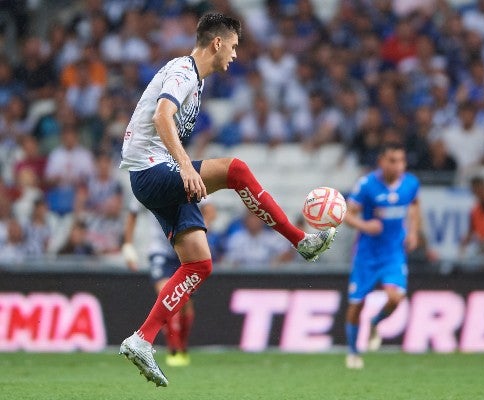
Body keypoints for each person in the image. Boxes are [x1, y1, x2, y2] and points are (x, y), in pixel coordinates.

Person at [118, 13, 336, 387]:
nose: (235, 55)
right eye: (234, 46)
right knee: (235, 170)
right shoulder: (184, 72)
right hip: (151, 171)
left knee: (200, 264)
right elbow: (161, 115)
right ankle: (302, 242)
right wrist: (186, 167)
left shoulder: (196, 82)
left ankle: (142, 340)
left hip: (153, 173)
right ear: (217, 43)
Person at [343, 143, 420, 369]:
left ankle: (375, 323)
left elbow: (414, 206)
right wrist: (365, 226)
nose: (398, 166)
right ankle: (353, 352)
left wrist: (413, 232)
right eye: (393, 160)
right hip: (366, 255)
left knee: (396, 298)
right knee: (357, 304)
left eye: (402, 160)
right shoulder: (367, 185)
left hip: (393, 253)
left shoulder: (410, 183)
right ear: (382, 162)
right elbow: (347, 214)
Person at [122, 198, 195, 368]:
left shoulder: (191, 180)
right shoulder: (151, 180)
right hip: (160, 251)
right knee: (166, 294)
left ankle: (182, 346)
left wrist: (199, 232)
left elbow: (209, 209)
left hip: (185, 250)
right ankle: (174, 349)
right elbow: (133, 213)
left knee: (185, 303)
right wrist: (128, 245)